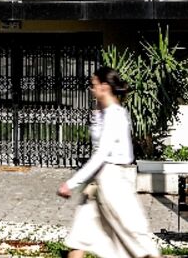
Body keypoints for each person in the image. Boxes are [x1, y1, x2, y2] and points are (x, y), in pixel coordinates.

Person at [57, 66, 161, 258]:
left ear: (104, 87)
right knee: (80, 235)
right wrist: (97, 113)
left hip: (113, 180)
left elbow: (101, 154)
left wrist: (72, 183)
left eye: (94, 84)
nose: (91, 88)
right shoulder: (105, 113)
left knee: (135, 237)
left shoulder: (115, 115)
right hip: (100, 182)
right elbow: (98, 144)